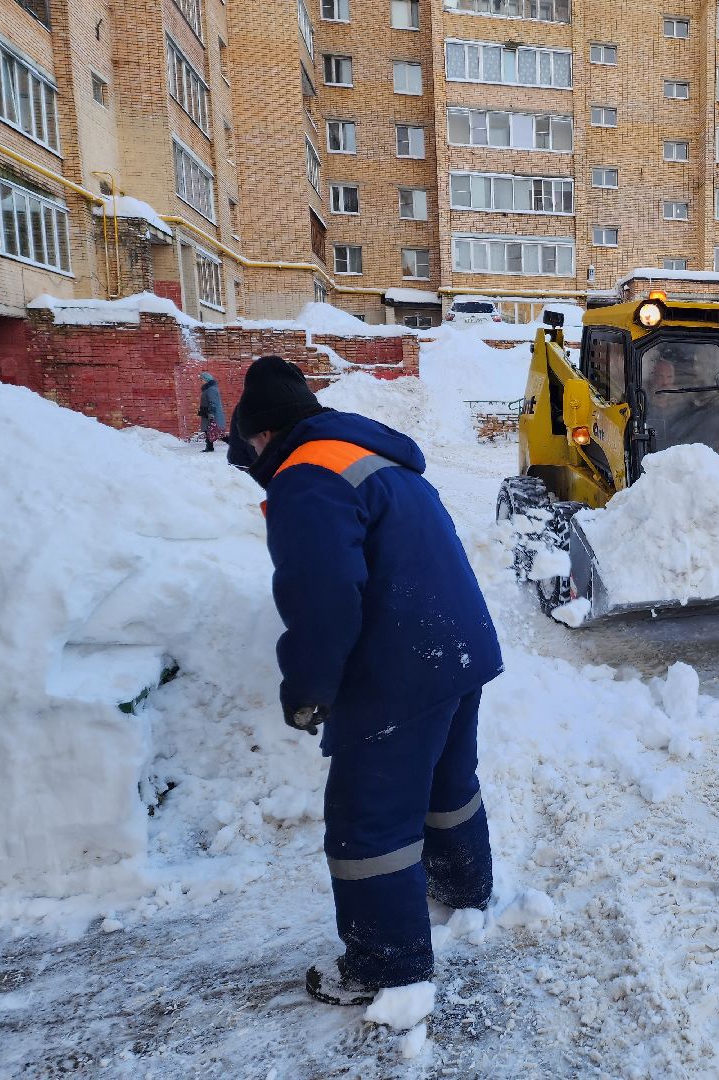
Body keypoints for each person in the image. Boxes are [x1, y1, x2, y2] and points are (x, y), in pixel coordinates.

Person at [233, 355, 503, 1006]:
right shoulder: (365, 453)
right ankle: (464, 889)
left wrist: (308, 687)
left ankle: (387, 970)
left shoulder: (306, 476)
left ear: (263, 434)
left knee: (367, 821)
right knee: (446, 783)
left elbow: (323, 595)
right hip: (457, 645)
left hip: (400, 666)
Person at [198, 372, 226, 452]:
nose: (201, 381)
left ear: (206, 380)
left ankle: (233, 443)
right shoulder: (208, 389)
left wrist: (211, 413)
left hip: (211, 413)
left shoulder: (211, 389)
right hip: (207, 413)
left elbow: (213, 402)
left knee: (217, 432)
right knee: (208, 430)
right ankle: (209, 447)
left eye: (202, 379)